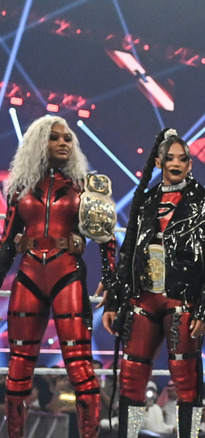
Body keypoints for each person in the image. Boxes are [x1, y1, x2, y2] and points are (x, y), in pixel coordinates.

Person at [102, 128, 205, 438]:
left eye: (182, 159)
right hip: (142, 297)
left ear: (190, 164)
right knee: (131, 377)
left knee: (186, 380)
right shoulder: (144, 201)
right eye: (169, 158)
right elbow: (128, 250)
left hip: (182, 298)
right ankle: (128, 436)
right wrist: (116, 300)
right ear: (159, 161)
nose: (176, 163)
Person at [0, 115, 117, 438]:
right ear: (40, 143)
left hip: (67, 273)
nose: (63, 143)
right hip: (30, 274)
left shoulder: (85, 187)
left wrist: (111, 281)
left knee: (79, 364)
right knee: (19, 364)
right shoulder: (19, 189)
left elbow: (107, 238)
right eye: (55, 138)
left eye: (67, 138)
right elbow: (7, 243)